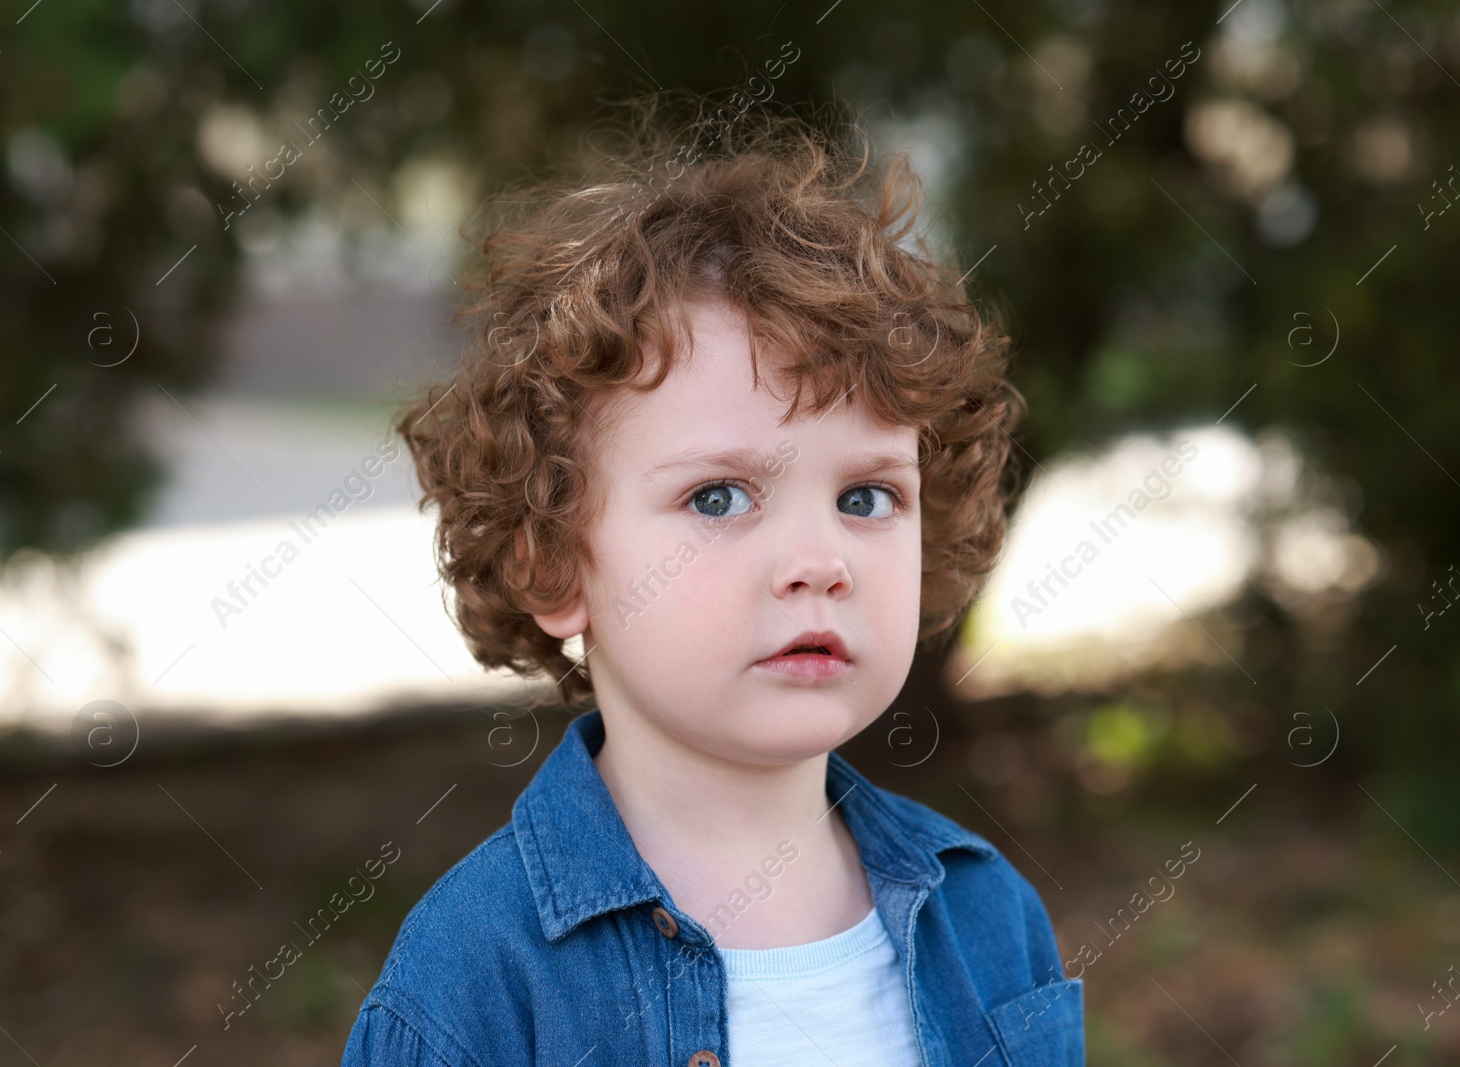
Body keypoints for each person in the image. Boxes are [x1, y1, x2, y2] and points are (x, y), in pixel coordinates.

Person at [341, 88, 1083, 1067]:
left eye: (865, 497)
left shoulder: (987, 917)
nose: (819, 560)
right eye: (720, 498)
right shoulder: (477, 978)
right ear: (551, 560)